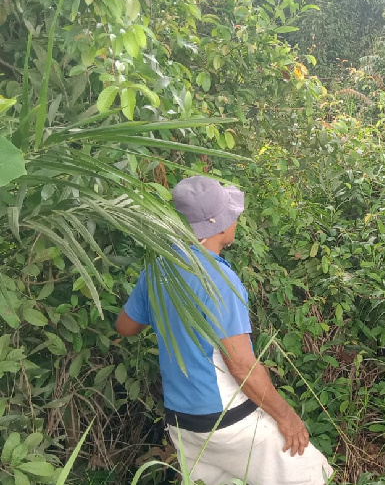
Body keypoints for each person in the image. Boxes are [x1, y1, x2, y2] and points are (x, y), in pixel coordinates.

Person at [115, 176, 332, 485]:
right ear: (219, 226)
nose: (236, 221)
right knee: (313, 475)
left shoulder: (157, 270)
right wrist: (287, 417)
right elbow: (241, 366)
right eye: (233, 215)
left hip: (182, 422)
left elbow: (125, 327)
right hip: (226, 421)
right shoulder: (219, 280)